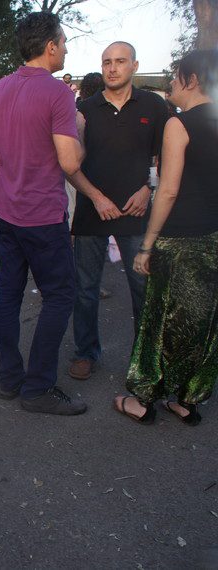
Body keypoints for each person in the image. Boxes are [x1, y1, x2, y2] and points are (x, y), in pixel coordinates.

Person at [0, 11, 87, 415]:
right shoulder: (59, 94)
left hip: (5, 214)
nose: (66, 48)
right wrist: (77, 131)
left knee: (8, 295)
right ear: (51, 46)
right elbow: (70, 163)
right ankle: (38, 387)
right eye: (64, 41)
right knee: (60, 296)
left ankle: (11, 378)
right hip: (42, 215)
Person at [115, 49, 218, 425]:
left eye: (176, 76)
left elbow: (168, 190)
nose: (171, 83)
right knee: (204, 322)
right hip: (214, 237)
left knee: (158, 321)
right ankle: (188, 400)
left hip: (179, 239)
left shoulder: (179, 124)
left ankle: (143, 398)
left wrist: (147, 244)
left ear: (191, 79)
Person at [67, 42, 168, 381]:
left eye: (120, 62)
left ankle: (144, 358)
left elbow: (164, 158)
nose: (112, 68)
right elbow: (70, 165)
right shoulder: (84, 110)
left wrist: (148, 189)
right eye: (106, 62)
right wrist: (96, 197)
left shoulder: (154, 106)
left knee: (143, 290)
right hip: (92, 212)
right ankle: (85, 352)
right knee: (84, 289)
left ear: (134, 66)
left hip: (135, 212)